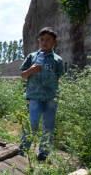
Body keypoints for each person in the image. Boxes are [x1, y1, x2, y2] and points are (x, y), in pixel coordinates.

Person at [19, 27, 64, 161]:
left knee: (48, 126)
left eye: (48, 40)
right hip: (35, 97)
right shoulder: (32, 57)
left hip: (51, 98)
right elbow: (23, 75)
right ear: (39, 41)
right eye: (42, 39)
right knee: (32, 124)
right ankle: (22, 151)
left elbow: (59, 76)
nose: (44, 42)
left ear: (54, 42)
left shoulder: (58, 60)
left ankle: (43, 154)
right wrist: (31, 70)